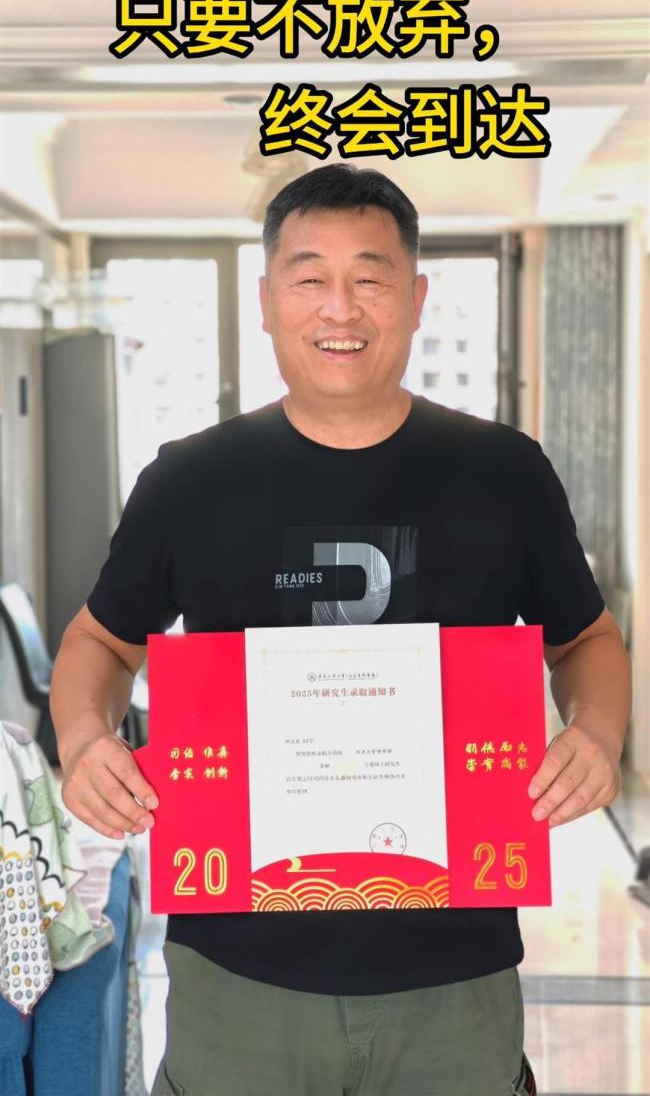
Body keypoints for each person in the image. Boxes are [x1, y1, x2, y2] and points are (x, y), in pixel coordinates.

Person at [50, 164, 631, 1096]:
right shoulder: (189, 481)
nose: (340, 307)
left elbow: (586, 639)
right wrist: (85, 740)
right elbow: (102, 642)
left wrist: (597, 732)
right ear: (267, 301)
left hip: (455, 967)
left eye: (370, 276)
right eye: (310, 276)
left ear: (417, 298)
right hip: (238, 971)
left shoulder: (504, 473)